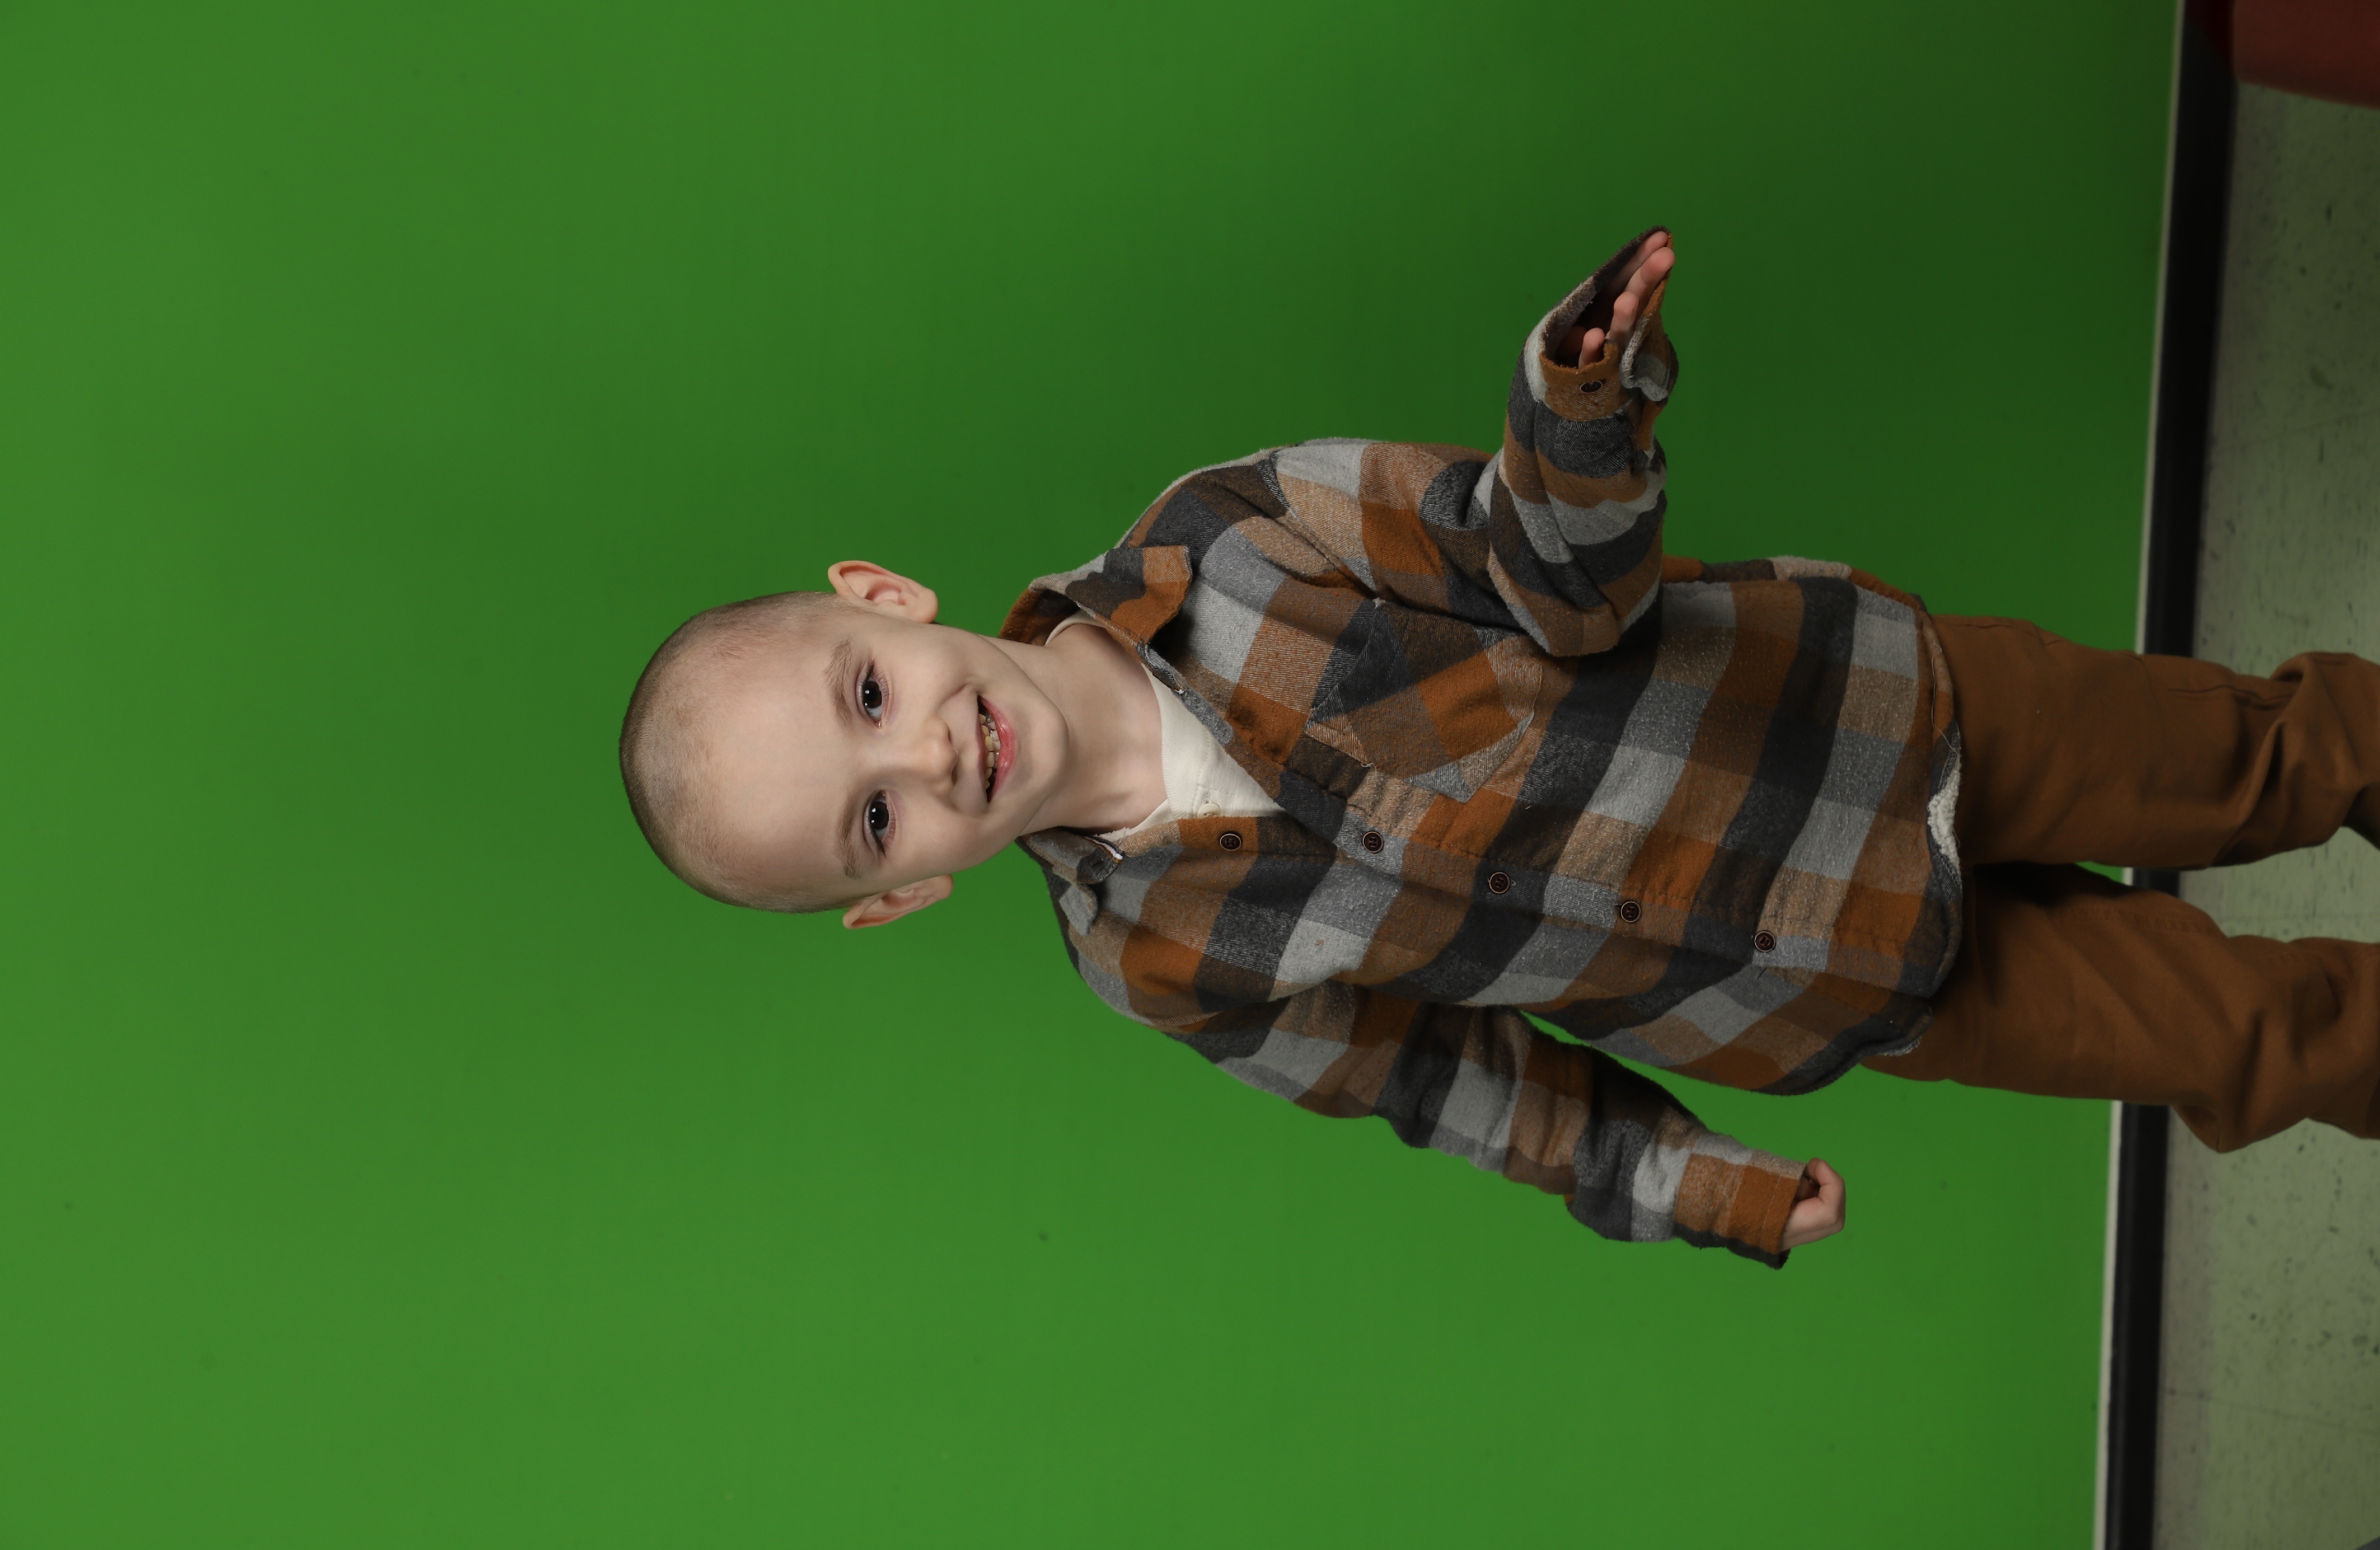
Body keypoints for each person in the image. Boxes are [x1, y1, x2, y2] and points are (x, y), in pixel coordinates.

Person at [618, 231, 2380, 1268]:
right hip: (1815, 982)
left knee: (2272, 760)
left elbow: (1546, 580)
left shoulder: (1235, 536)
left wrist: (1575, 418)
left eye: (867, 698)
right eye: (872, 825)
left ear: (883, 598)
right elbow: (1452, 1084)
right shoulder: (1155, 964)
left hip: (1880, 717)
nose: (927, 762)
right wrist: (1688, 1185)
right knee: (2240, 1039)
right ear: (901, 897)